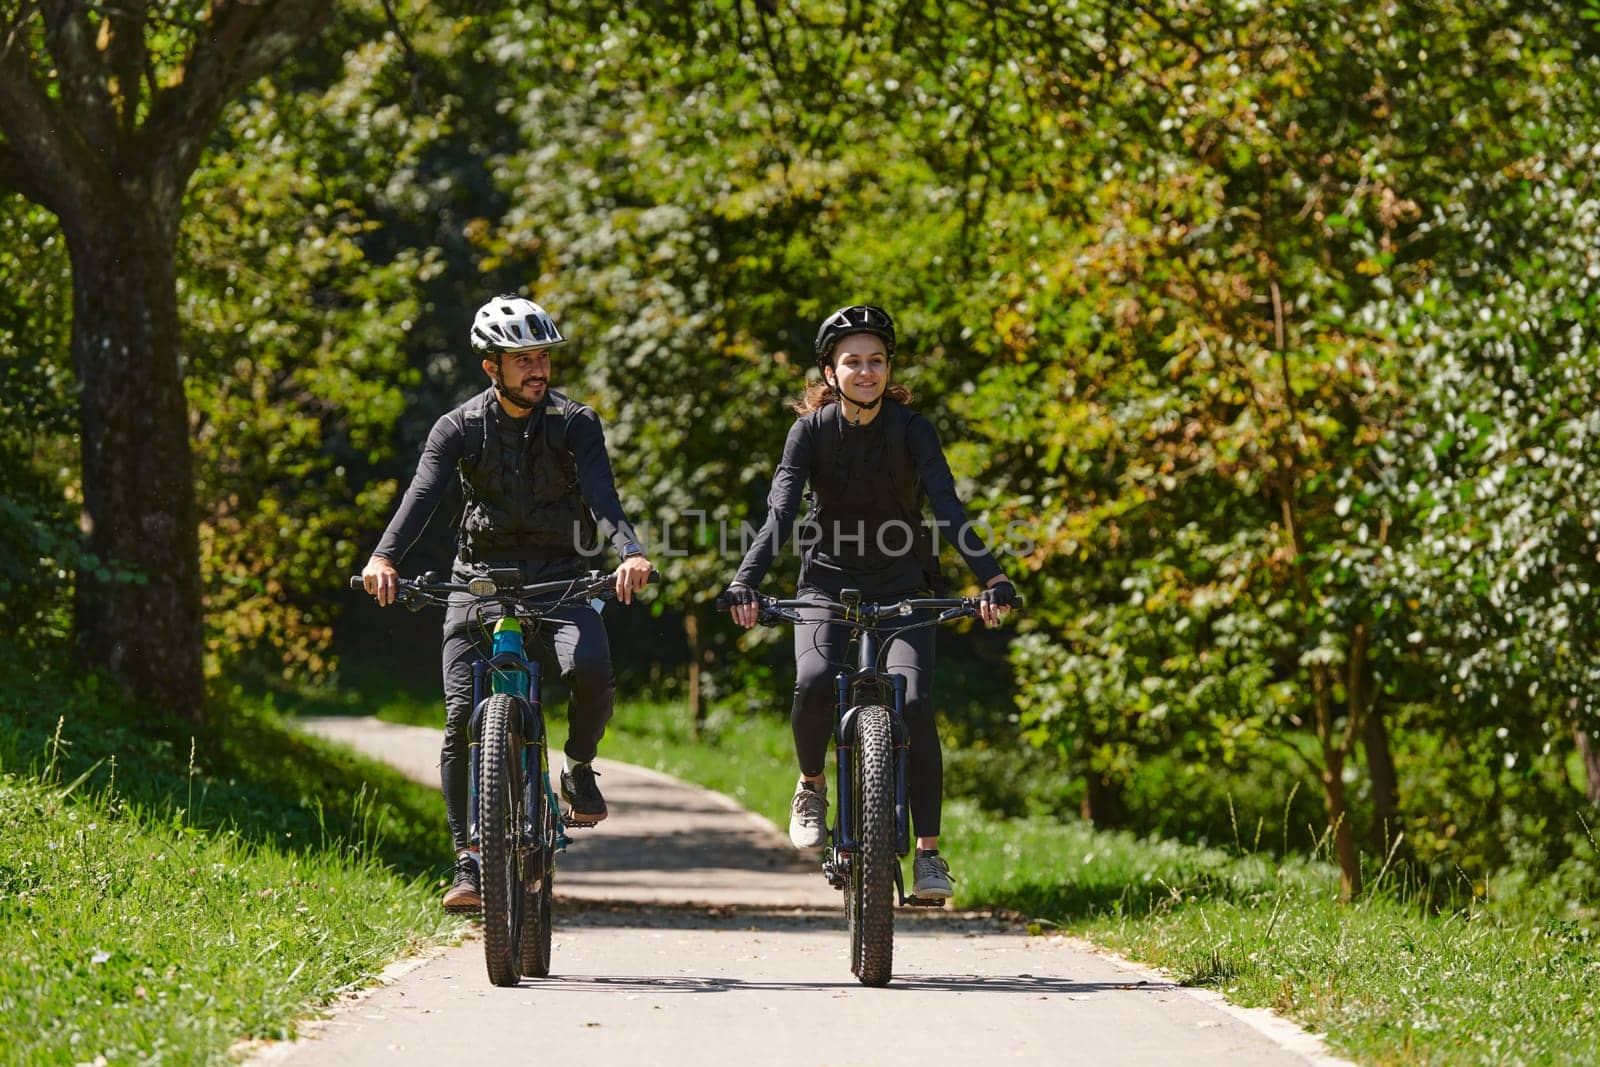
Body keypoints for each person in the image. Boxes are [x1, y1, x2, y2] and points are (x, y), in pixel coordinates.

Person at [361, 293, 653, 911]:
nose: (537, 369)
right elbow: (422, 497)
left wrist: (628, 551)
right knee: (461, 714)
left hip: (561, 573)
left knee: (591, 670)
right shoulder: (458, 427)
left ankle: (576, 765)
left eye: (543, 356)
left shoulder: (576, 423)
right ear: (491, 367)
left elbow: (603, 499)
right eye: (522, 359)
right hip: (481, 577)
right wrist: (384, 557)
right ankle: (468, 858)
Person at [722, 303, 1014, 899]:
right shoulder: (809, 430)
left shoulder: (913, 430)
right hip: (826, 582)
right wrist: (746, 579)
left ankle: (930, 856)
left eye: (875, 361)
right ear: (830, 373)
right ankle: (811, 785)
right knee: (813, 678)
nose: (865, 372)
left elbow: (948, 507)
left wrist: (990, 577)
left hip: (903, 583)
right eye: (852, 362)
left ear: (887, 370)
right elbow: (780, 513)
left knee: (915, 703)